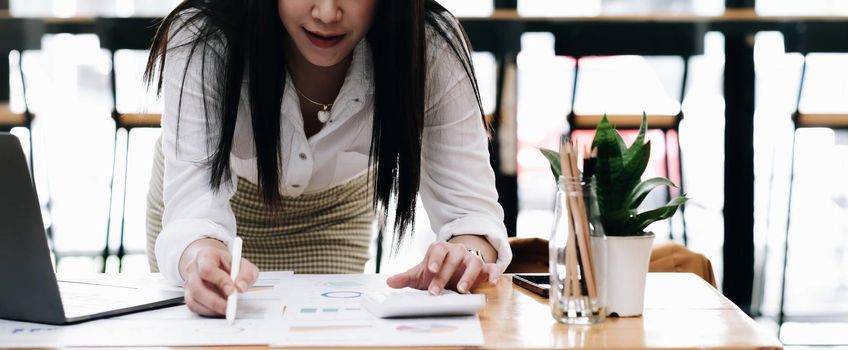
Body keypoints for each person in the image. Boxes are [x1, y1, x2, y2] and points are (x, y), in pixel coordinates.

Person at [144, 0, 512, 317]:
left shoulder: (432, 46)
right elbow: (192, 215)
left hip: (332, 212)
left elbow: (472, 214)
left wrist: (464, 254)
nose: (326, 12)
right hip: (204, 218)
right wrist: (199, 256)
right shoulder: (202, 38)